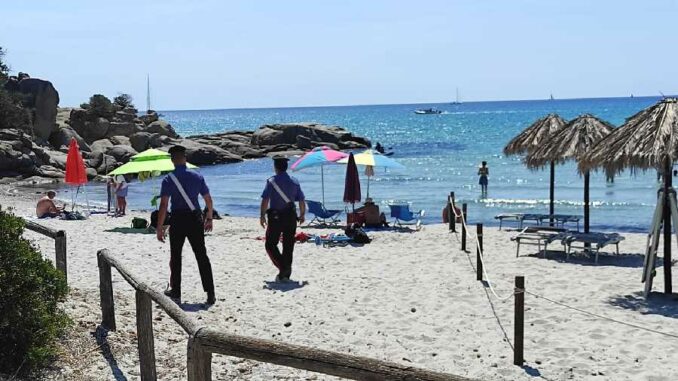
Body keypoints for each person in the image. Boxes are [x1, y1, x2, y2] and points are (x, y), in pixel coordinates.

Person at [156, 145, 215, 305]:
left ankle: (176, 293)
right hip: (195, 218)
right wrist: (209, 217)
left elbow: (163, 205)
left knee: (176, 256)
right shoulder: (197, 176)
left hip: (178, 218)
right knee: (201, 255)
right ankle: (210, 293)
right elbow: (208, 199)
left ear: (172, 160)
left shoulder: (168, 179)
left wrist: (160, 226)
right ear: (185, 158)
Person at [260, 156, 306, 282]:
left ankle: (283, 268)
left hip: (276, 217)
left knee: (270, 244)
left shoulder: (271, 181)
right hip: (291, 216)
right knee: (288, 245)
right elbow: (301, 200)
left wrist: (262, 215)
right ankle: (286, 273)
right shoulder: (294, 181)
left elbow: (265, 200)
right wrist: (302, 214)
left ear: (275, 167)